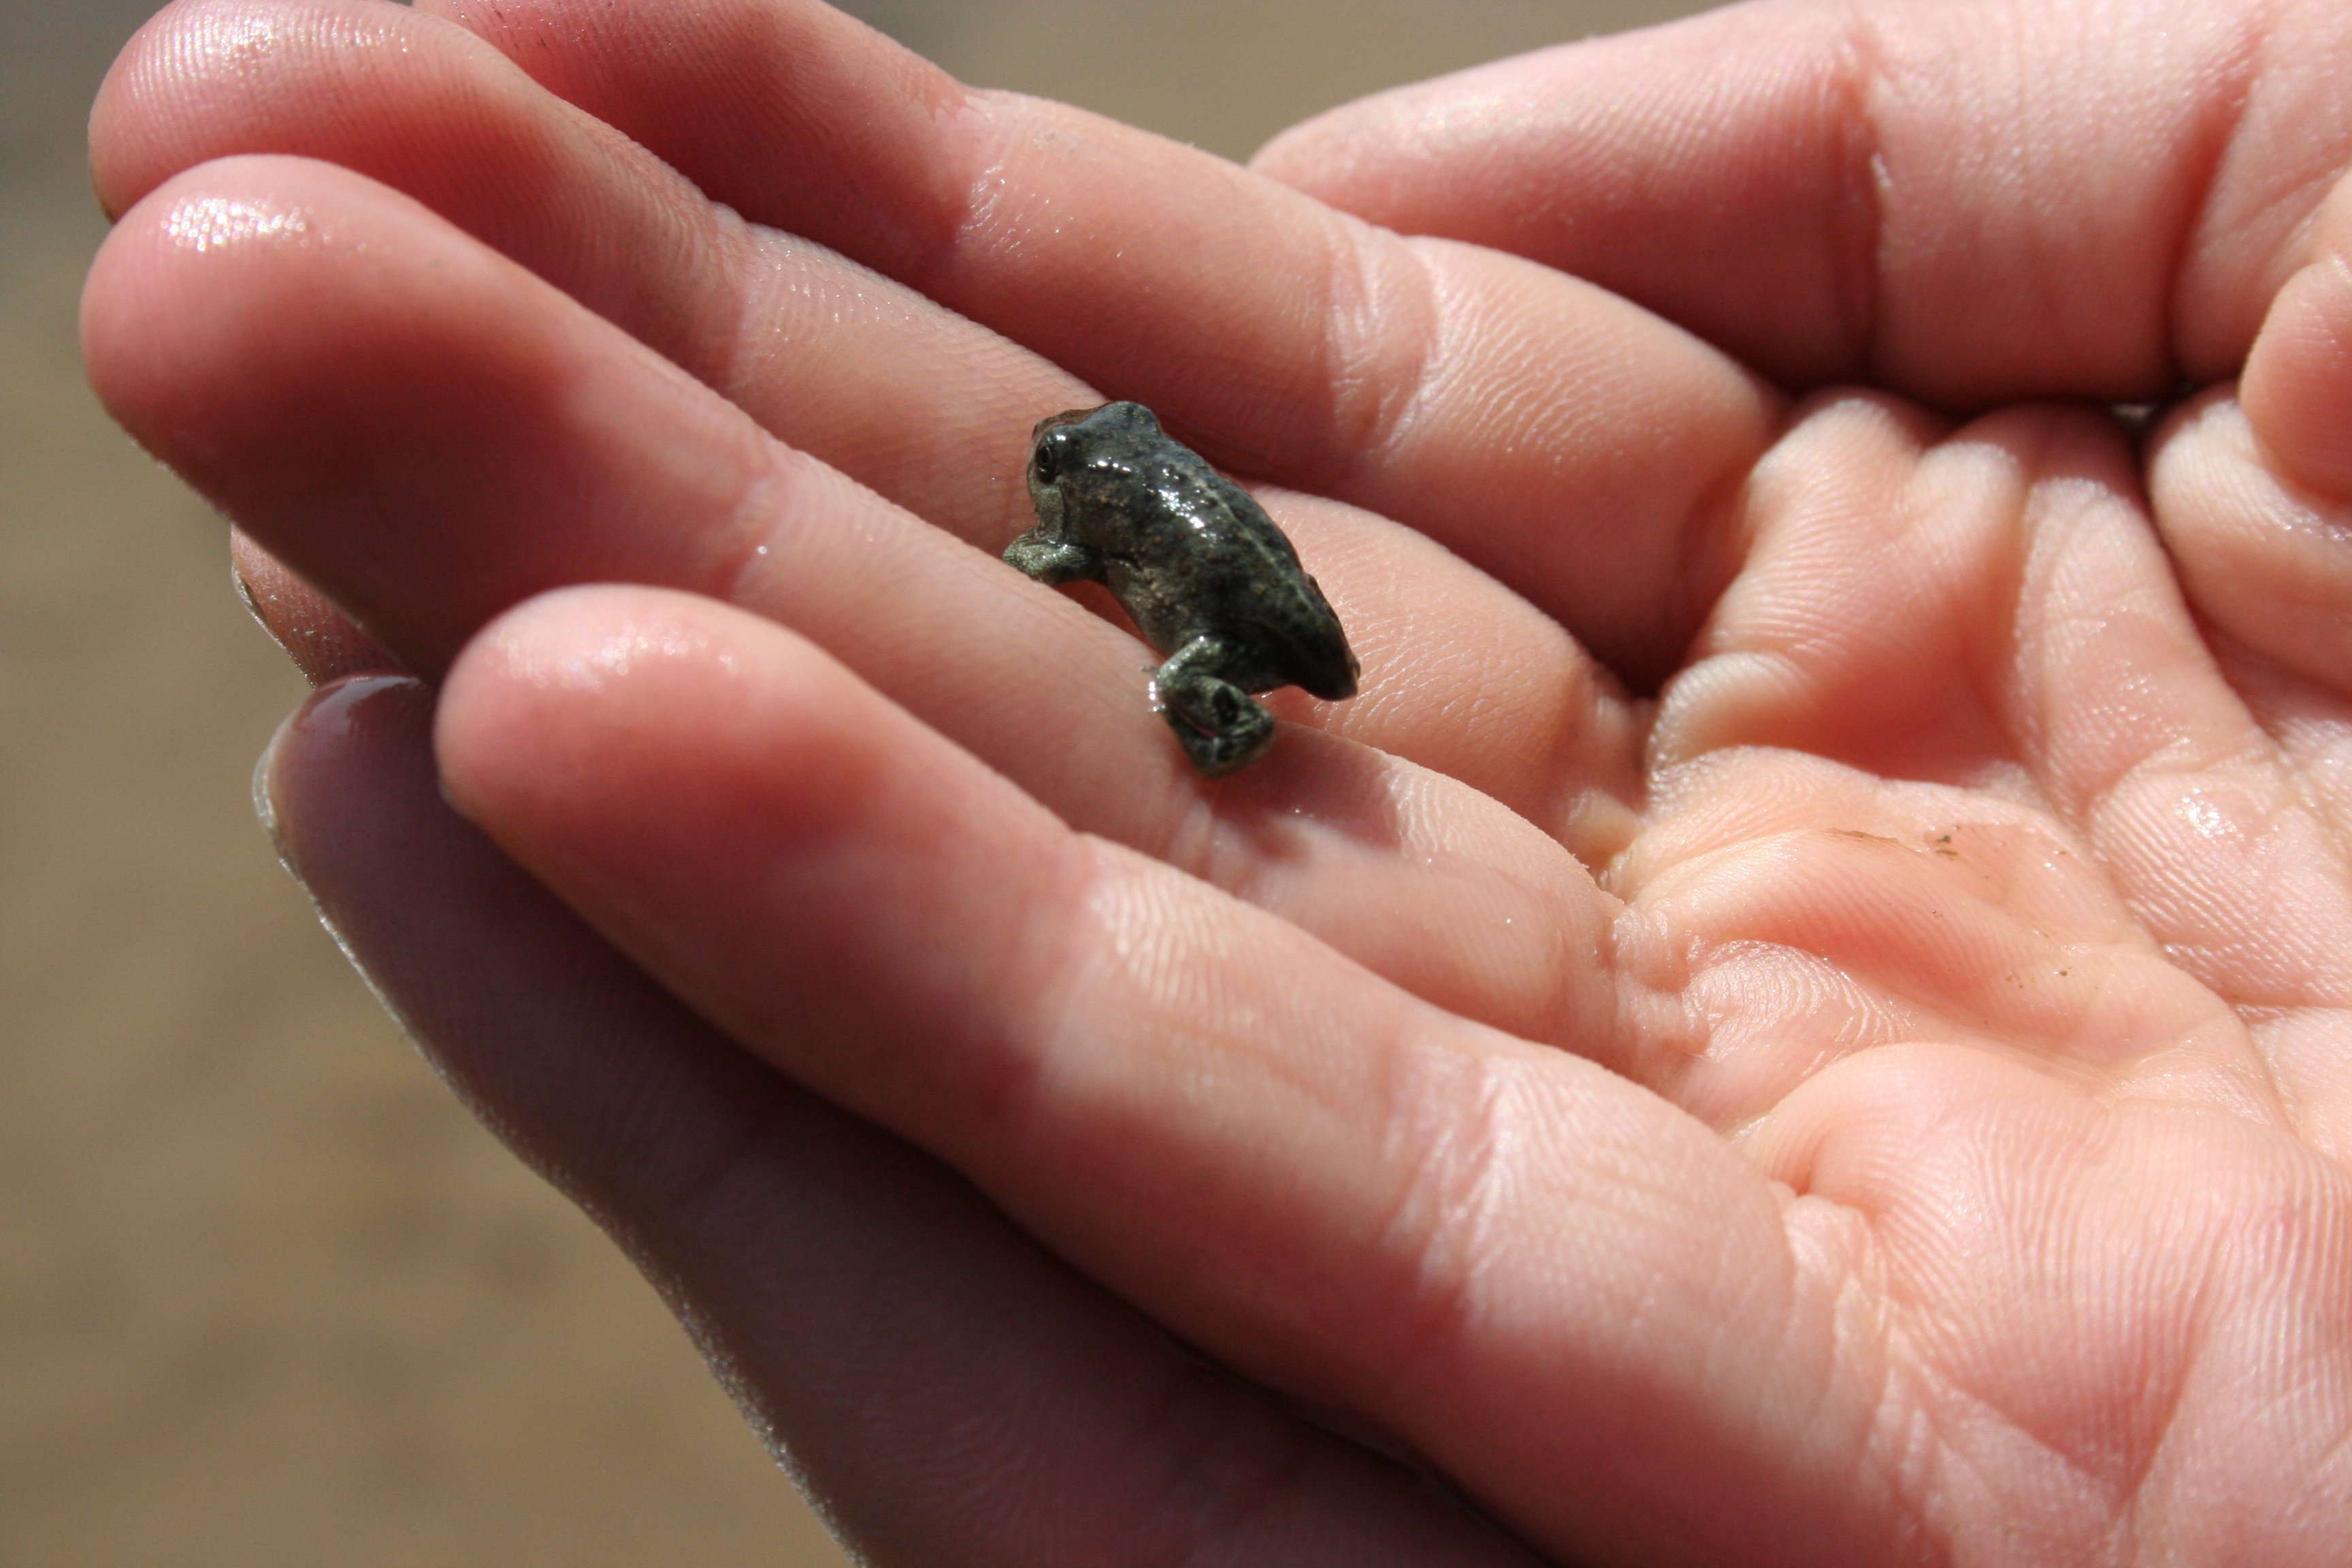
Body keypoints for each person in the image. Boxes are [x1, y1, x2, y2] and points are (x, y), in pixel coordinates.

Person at [80, 0, 2352, 1559]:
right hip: (1250, 579)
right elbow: (1095, 502)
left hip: (1261, 619)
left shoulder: (1112, 483)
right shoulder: (1115, 463)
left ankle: (1205, 714)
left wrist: (1141, 607)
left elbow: (1093, 520)